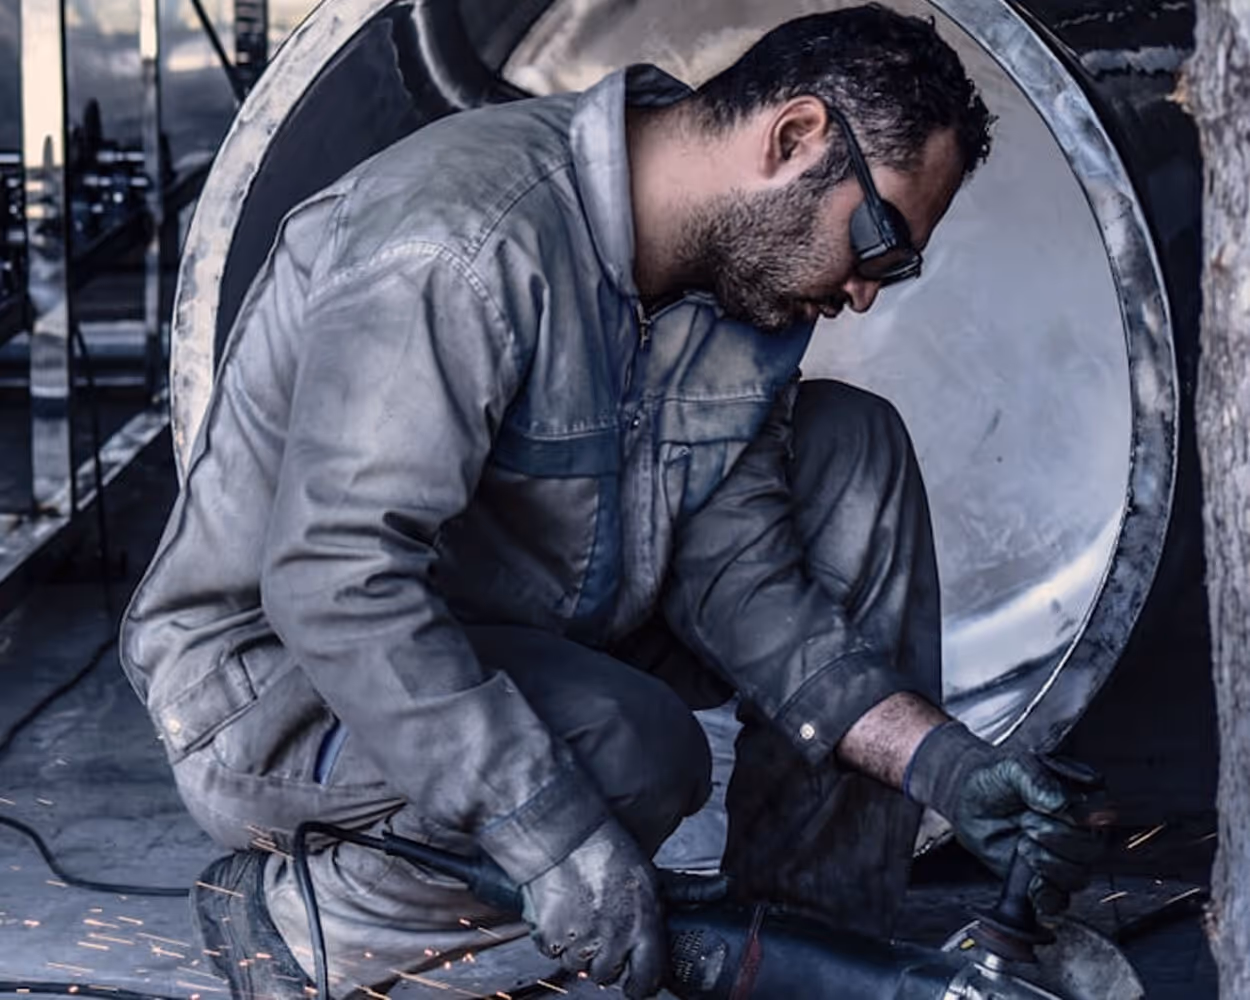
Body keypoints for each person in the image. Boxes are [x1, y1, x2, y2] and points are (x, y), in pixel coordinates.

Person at [119, 6, 1100, 999]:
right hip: (280, 684)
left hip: (534, 619)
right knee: (626, 746)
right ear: (793, 138)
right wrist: (552, 837)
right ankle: (322, 923)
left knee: (852, 450)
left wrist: (938, 762)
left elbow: (743, 581)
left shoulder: (737, 298)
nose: (863, 294)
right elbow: (336, 582)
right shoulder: (462, 244)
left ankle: (805, 947)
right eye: (877, 242)